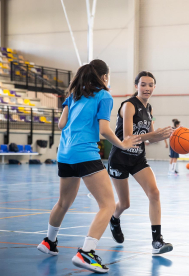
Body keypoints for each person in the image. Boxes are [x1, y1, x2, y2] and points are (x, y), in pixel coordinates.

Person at [37, 59, 141, 273]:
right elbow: (104, 129)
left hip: (65, 154)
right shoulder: (104, 96)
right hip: (85, 153)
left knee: (63, 202)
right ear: (104, 77)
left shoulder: (72, 96)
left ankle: (49, 241)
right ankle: (87, 253)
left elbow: (61, 124)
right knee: (108, 205)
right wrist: (122, 144)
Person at [107, 71, 174, 254]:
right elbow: (128, 137)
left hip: (137, 158)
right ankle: (114, 218)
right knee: (125, 203)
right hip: (120, 158)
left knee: (154, 193)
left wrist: (163, 135)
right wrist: (152, 135)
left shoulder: (149, 108)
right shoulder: (129, 105)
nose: (147, 88)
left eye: (150, 85)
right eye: (143, 84)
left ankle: (157, 240)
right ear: (136, 86)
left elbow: (149, 139)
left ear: (154, 87)